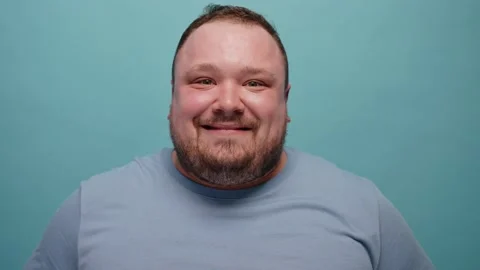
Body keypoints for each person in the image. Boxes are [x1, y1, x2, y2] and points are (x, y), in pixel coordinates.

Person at [25, 4, 435, 270]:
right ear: (172, 98)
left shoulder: (365, 212)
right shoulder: (88, 210)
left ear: (285, 103)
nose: (227, 102)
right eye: (203, 80)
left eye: (254, 83)